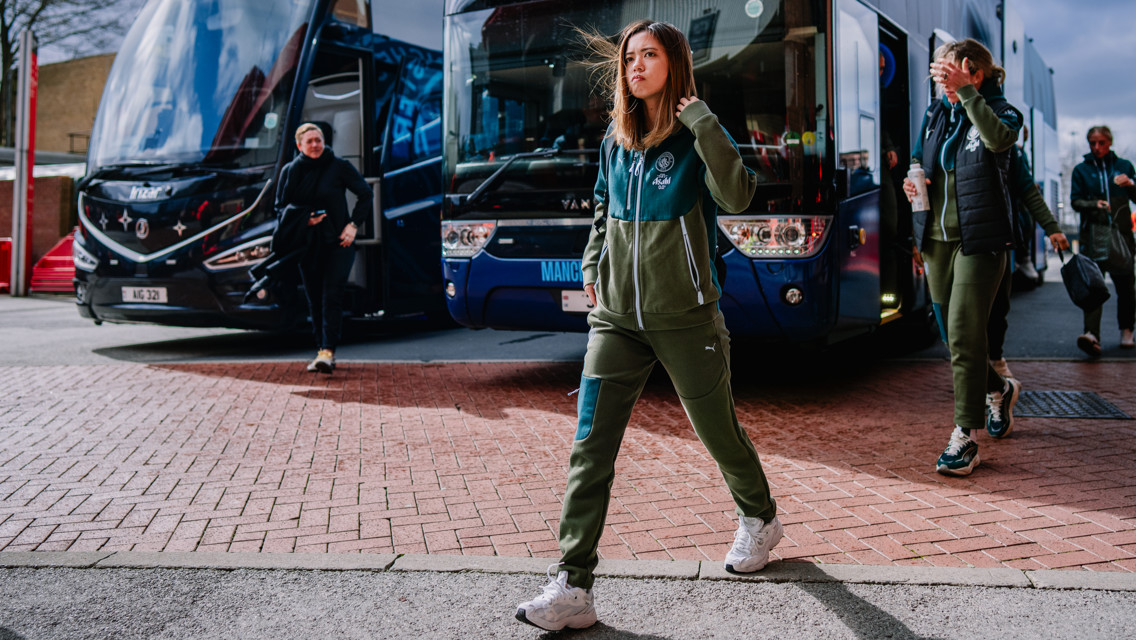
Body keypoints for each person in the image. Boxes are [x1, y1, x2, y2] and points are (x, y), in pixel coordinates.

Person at [515, 20, 781, 631]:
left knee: (717, 432)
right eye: (630, 58)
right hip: (615, 320)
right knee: (589, 447)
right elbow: (602, 210)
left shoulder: (695, 136)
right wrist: (591, 265)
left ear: (675, 63)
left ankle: (760, 518)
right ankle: (574, 584)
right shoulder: (616, 139)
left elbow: (738, 197)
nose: (635, 66)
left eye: (649, 55)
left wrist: (705, 123)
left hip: (687, 318)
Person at [903, 39, 1022, 476]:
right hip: (935, 238)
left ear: (976, 73)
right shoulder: (936, 114)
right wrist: (911, 182)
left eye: (954, 73)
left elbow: (998, 139)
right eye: (942, 75)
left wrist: (968, 95)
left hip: (980, 240)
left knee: (964, 332)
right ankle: (999, 389)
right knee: (955, 340)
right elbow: (919, 162)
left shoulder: (1001, 111)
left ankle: (965, 438)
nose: (946, 82)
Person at [274, 122, 373, 373]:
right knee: (314, 298)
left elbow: (365, 194)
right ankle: (322, 350)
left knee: (332, 295)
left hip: (338, 243)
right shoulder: (290, 171)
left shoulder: (339, 166)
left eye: (319, 140)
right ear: (299, 145)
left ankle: (328, 351)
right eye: (310, 141)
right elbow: (280, 208)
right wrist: (304, 219)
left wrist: (353, 226)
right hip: (307, 245)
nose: (316, 145)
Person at [986, 142, 1070, 386]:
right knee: (960, 324)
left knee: (997, 307)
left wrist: (1050, 228)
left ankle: (995, 365)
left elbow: (1027, 189)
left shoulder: (1007, 144)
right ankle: (988, 382)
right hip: (955, 241)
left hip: (999, 236)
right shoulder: (943, 125)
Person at [1069, 125, 1136, 355]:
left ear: (1110, 142)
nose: (1096, 147)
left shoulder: (1124, 167)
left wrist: (1131, 185)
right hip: (1093, 236)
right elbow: (1075, 201)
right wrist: (1092, 204)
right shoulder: (1081, 170)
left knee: (1126, 286)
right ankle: (1091, 334)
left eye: (1101, 143)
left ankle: (1127, 329)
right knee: (1093, 286)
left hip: (1121, 236)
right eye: (1092, 143)